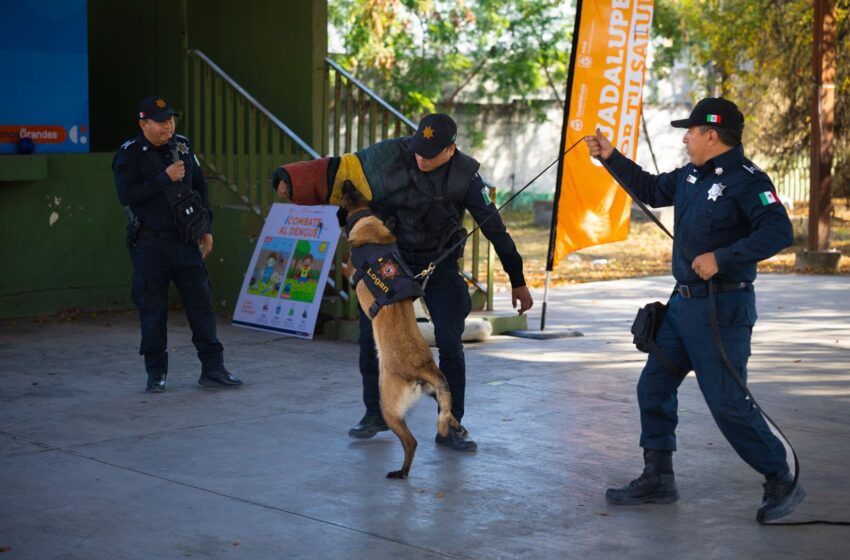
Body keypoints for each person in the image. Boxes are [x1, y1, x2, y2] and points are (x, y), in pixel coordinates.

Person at [584, 97, 803, 523]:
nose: (685, 138)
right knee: (653, 387)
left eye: (690, 131)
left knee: (726, 402)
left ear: (712, 135)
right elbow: (649, 189)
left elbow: (779, 230)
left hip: (724, 309)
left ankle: (780, 477)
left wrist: (723, 257)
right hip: (682, 308)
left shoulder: (747, 179)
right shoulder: (689, 176)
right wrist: (610, 157)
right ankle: (659, 479)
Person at [274, 113, 533, 451]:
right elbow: (338, 172)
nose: (421, 157)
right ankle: (376, 413)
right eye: (418, 150)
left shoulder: (467, 179)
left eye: (431, 153)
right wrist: (289, 179)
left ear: (451, 149)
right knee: (371, 337)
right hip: (392, 261)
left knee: (450, 343)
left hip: (439, 265)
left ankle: (450, 424)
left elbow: (495, 229)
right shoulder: (390, 156)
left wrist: (517, 280)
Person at [113, 96, 243, 393]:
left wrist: (206, 228)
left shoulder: (182, 146)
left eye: (170, 119)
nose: (168, 125)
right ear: (143, 123)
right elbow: (126, 195)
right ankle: (156, 373)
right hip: (150, 246)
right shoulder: (129, 154)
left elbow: (200, 187)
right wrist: (164, 177)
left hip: (186, 243)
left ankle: (213, 369)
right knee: (153, 310)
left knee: (201, 307)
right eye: (161, 120)